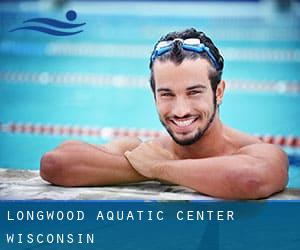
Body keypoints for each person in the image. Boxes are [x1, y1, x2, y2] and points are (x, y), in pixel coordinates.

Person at [40, 28, 288, 199]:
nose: (180, 111)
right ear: (154, 95)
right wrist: (158, 166)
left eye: (194, 93)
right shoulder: (142, 149)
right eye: (167, 94)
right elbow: (56, 164)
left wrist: (161, 168)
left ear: (219, 91)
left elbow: (249, 180)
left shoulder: (255, 151)